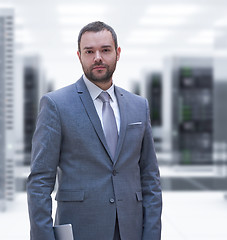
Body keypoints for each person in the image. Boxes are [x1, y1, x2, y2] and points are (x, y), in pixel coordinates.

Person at [27, 21, 162, 240]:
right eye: (89, 51)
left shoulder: (139, 106)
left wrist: (152, 234)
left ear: (118, 53)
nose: (97, 57)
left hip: (131, 228)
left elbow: (150, 177)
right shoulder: (56, 105)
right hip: (81, 228)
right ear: (79, 56)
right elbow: (40, 182)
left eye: (105, 50)